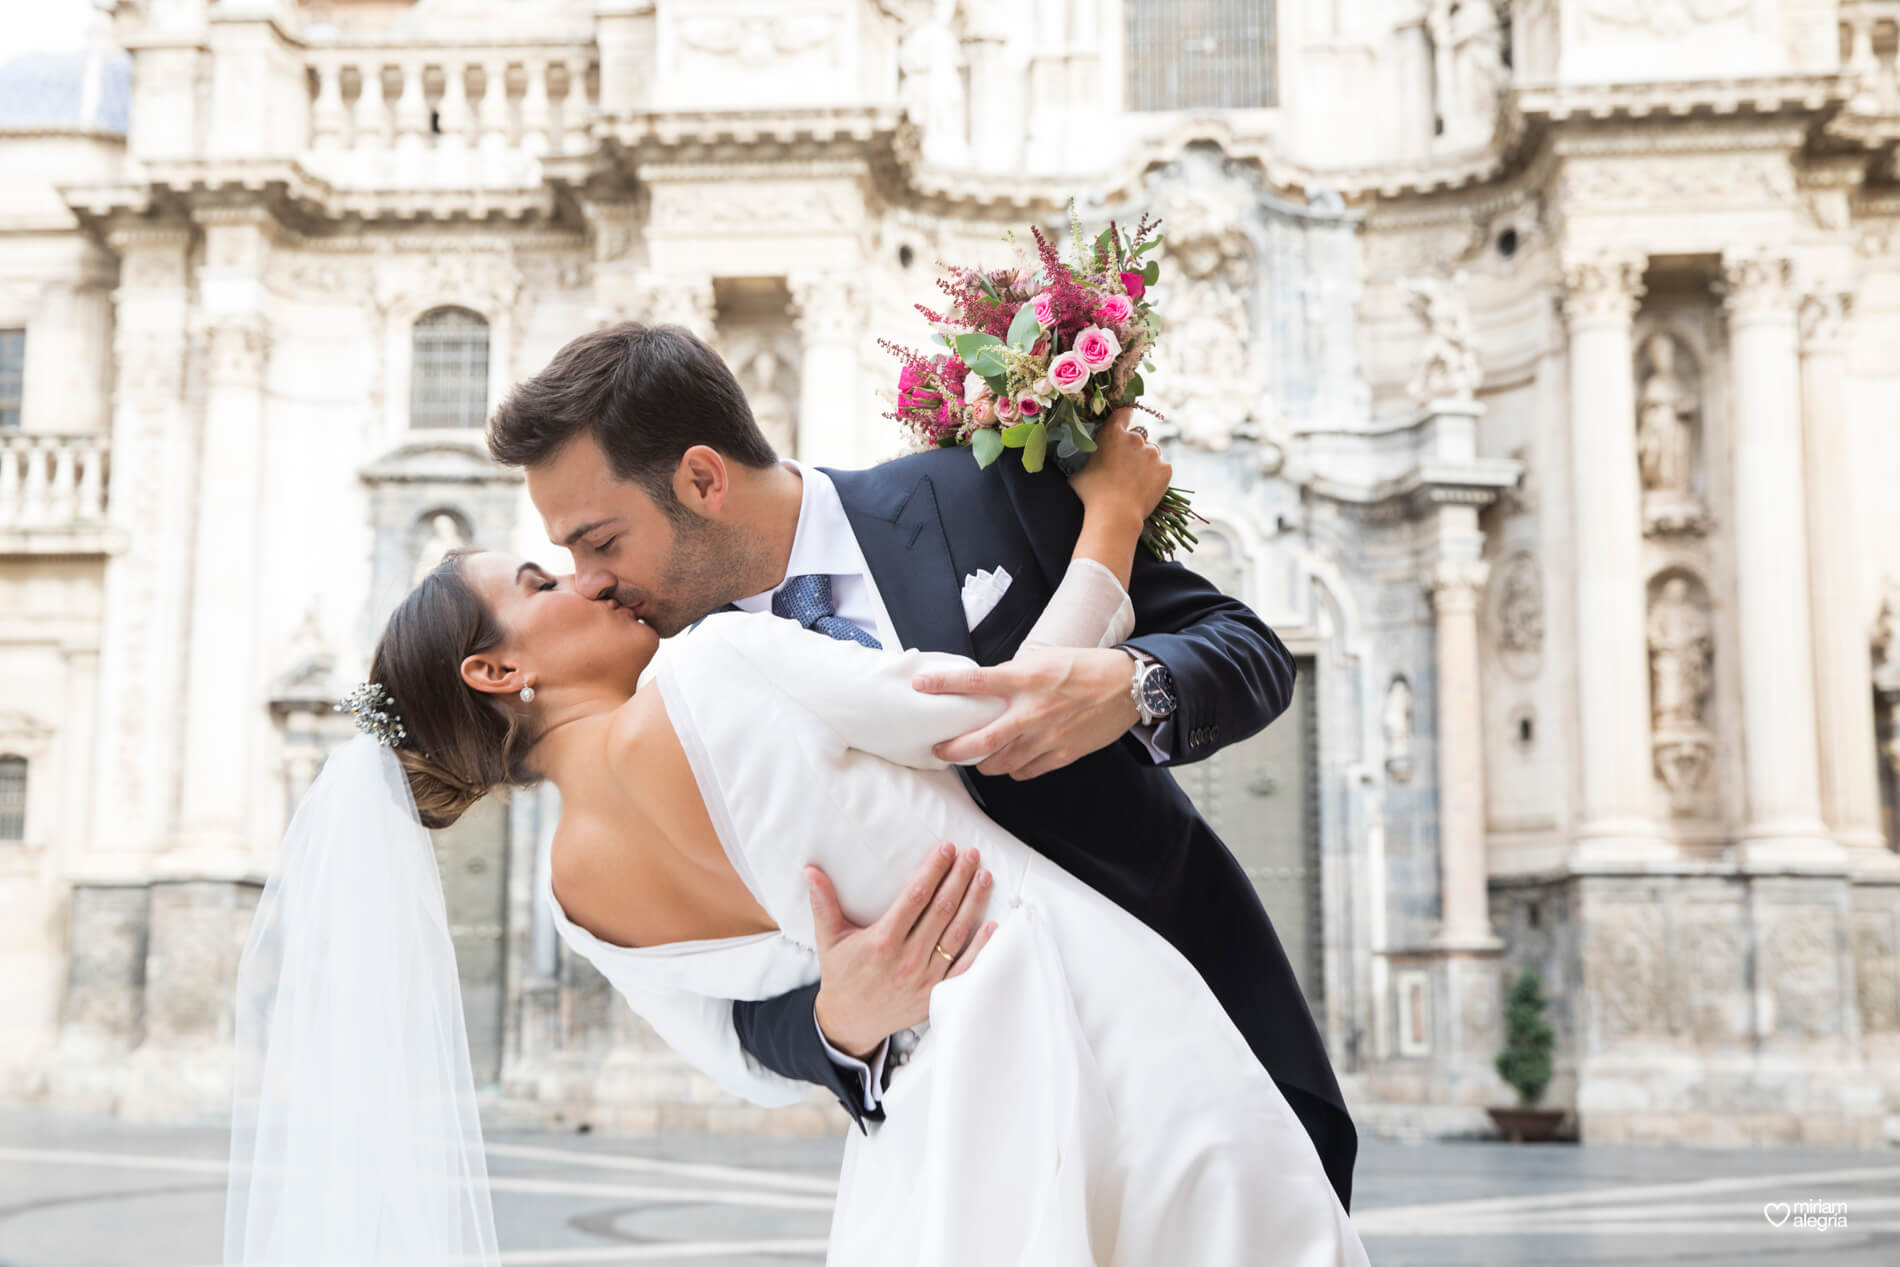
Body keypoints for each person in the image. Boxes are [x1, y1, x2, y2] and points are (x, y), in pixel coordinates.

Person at [226, 411, 1368, 1265]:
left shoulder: (577, 895)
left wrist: (840, 1017)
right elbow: (985, 718)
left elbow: (726, 1045)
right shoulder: (715, 662)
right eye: (540, 579)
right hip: (1096, 1013)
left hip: (934, 1125)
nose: (585, 580)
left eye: (583, 548)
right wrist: (1112, 518)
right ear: (497, 670)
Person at [484, 324, 1357, 1209]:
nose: (588, 582)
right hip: (986, 1154)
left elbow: (1247, 648)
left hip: (1203, 1037)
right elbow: (735, 1016)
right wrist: (840, 1021)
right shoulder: (671, 683)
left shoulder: (973, 493)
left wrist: (1135, 686)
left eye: (598, 541)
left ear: (703, 479)